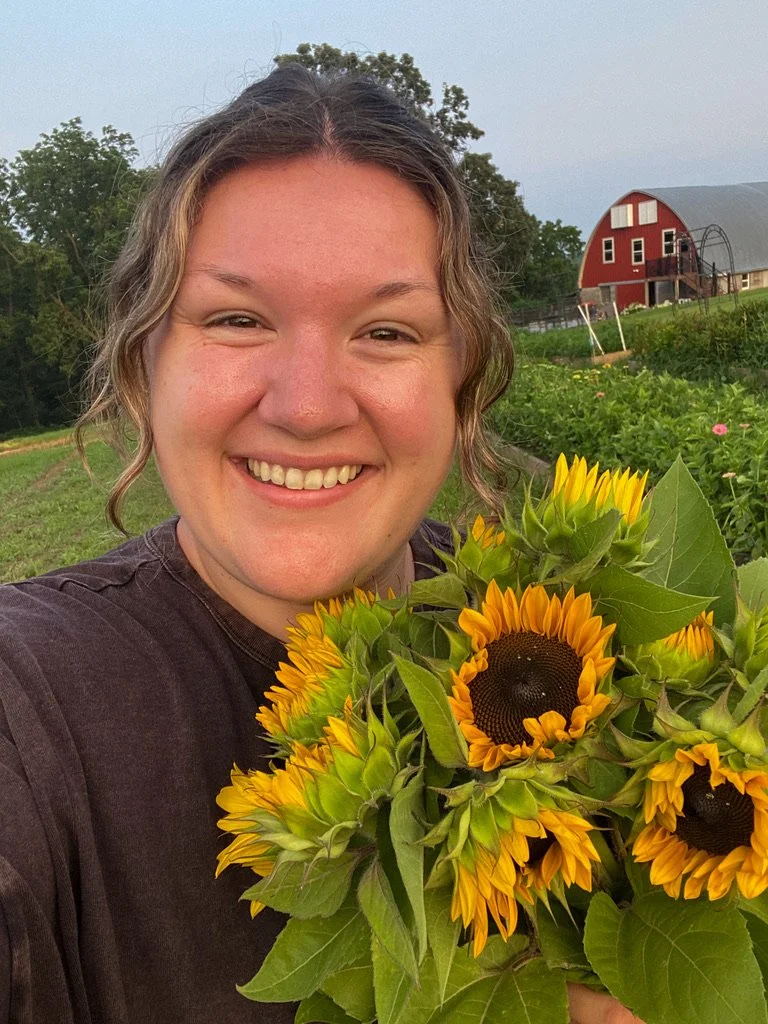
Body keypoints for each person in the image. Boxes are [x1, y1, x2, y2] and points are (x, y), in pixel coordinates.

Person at [0, 65, 642, 1023]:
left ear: (461, 384)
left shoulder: (613, 655)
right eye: (236, 319)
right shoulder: (34, 699)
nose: (305, 406)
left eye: (385, 331)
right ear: (145, 366)